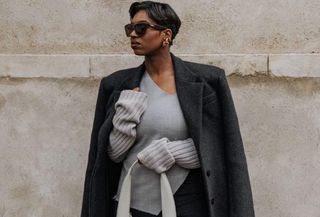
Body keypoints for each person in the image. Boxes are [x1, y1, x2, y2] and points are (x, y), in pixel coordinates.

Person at [80, 1, 255, 217]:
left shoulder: (208, 82)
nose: (133, 34)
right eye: (130, 28)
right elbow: (111, 157)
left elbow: (220, 148)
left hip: (189, 203)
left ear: (166, 35)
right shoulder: (116, 85)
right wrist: (126, 116)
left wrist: (172, 152)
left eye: (141, 28)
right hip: (131, 205)